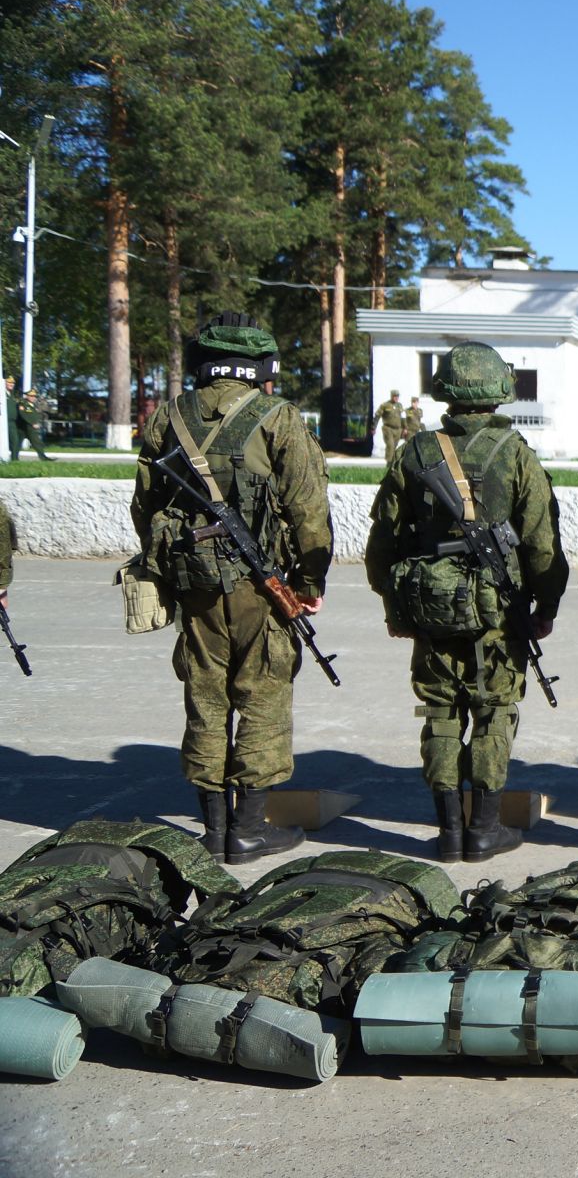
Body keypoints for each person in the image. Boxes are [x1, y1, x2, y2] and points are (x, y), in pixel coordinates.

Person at [129, 315, 332, 863]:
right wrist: (309, 582)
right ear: (261, 366)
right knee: (263, 694)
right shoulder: (278, 417)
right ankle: (247, 831)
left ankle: (214, 830)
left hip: (194, 587)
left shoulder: (170, 415)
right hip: (259, 588)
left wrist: (178, 562)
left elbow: (144, 505)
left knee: (205, 694)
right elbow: (309, 509)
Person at [365, 343, 567, 863]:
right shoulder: (518, 454)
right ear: (501, 390)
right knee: (494, 710)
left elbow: (384, 540)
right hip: (499, 612)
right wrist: (546, 607)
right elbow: (543, 544)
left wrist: (394, 605)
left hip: (431, 608)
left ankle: (449, 833)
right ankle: (483, 830)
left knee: (440, 713)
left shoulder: (414, 451)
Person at [6, 376, 53, 462]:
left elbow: (36, 415)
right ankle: (14, 458)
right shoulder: (23, 403)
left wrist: (37, 422)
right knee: (17, 442)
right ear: (27, 396)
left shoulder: (31, 404)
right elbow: (23, 414)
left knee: (19, 442)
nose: (32, 397)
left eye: (34, 396)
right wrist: (33, 423)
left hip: (22, 425)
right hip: (23, 425)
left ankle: (15, 458)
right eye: (30, 396)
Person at [375, 390, 406, 466]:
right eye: (394, 396)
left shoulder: (399, 405)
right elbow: (377, 416)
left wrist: (405, 428)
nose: (396, 398)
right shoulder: (385, 405)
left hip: (398, 429)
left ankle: (392, 463)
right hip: (388, 428)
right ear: (391, 396)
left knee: (394, 446)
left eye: (397, 396)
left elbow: (402, 418)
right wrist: (373, 427)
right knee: (390, 445)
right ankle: (388, 463)